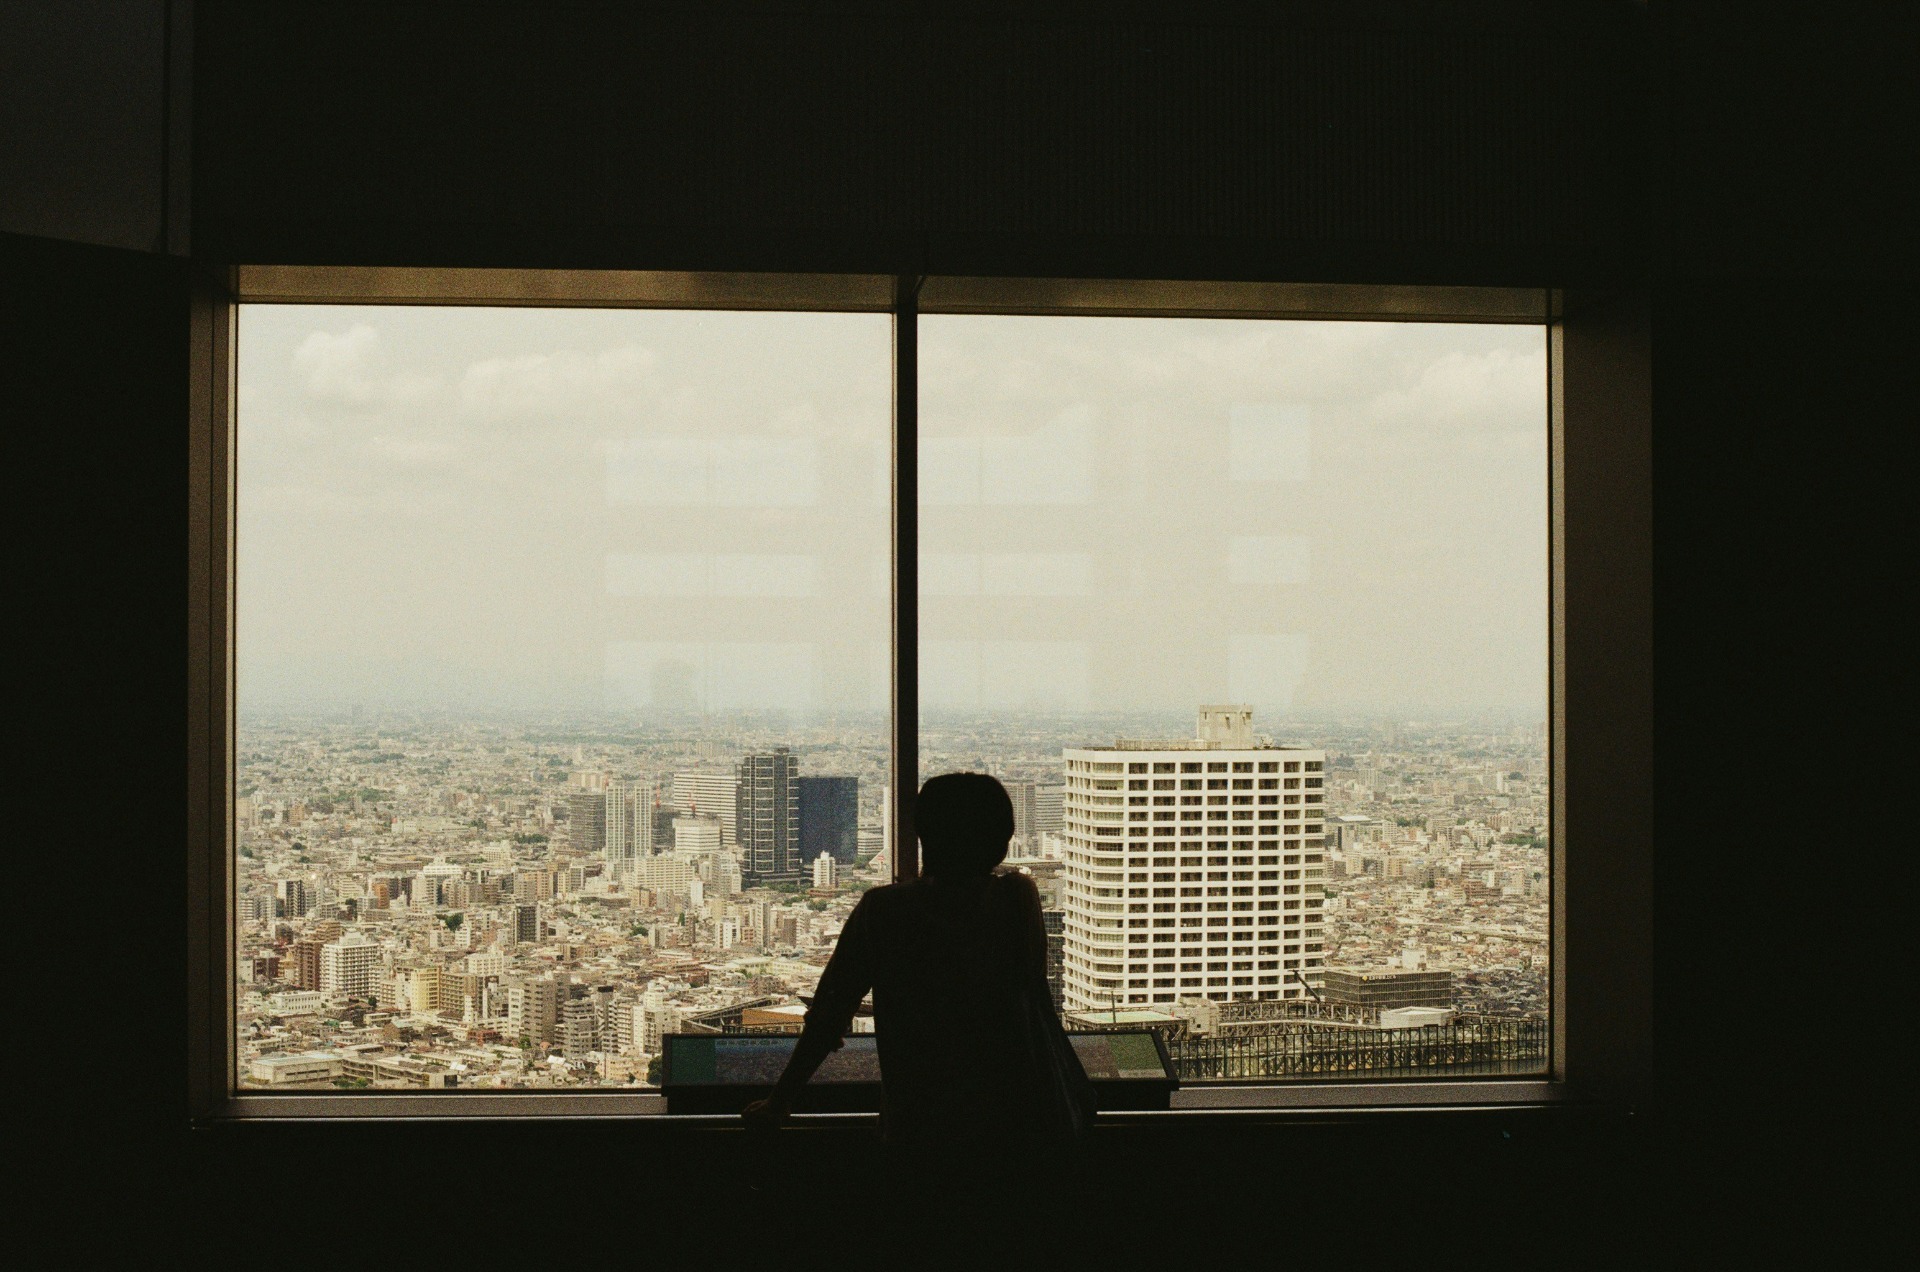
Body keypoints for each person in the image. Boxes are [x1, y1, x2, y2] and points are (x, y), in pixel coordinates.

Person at [741, 772, 1096, 1195]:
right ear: (1002, 842)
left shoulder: (885, 913)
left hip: (923, 1128)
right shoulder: (1016, 902)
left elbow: (829, 1016)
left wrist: (780, 1102)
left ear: (921, 832)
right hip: (1026, 1129)